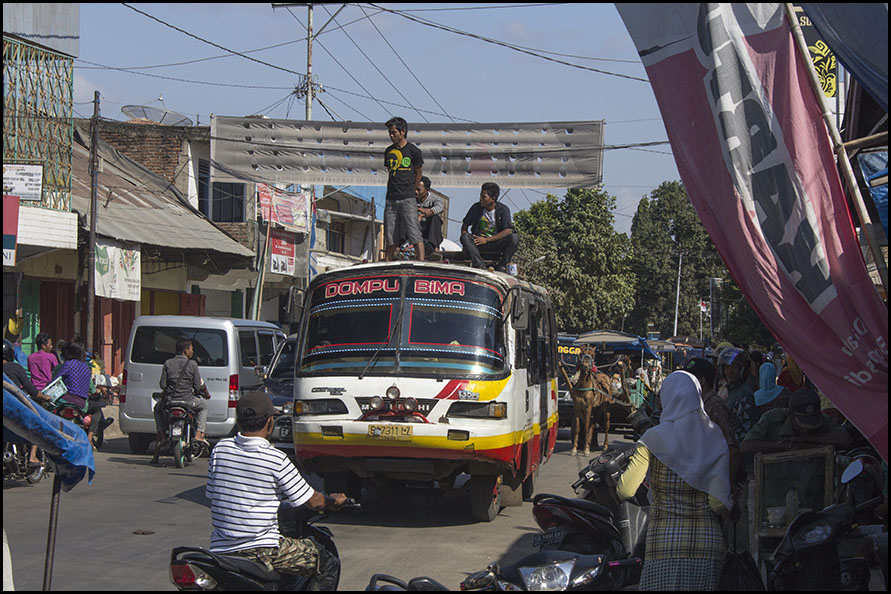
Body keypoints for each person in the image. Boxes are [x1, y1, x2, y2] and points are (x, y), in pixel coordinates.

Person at [206, 392, 347, 590]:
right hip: (261, 550)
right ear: (270, 422)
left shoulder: (220, 450)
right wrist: (334, 501)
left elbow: (213, 495)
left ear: (238, 422)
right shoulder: (275, 459)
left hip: (220, 549)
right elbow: (313, 501)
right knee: (327, 562)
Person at [616, 371, 731, 590]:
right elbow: (718, 503)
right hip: (707, 546)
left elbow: (625, 490)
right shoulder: (714, 436)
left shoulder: (652, 438)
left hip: (664, 543)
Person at [740, 388, 853, 455]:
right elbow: (746, 446)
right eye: (802, 425)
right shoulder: (773, 418)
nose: (806, 429)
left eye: (811, 425)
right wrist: (781, 446)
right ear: (792, 416)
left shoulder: (824, 420)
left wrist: (806, 439)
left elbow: (844, 439)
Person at [151, 338, 210, 464]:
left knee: (157, 409)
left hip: (170, 402)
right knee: (203, 407)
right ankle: (199, 434)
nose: (192, 352)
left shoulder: (168, 363)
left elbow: (163, 385)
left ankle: (161, 435)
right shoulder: (192, 364)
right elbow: (197, 386)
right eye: (191, 349)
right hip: (188, 401)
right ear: (185, 350)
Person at [53, 336, 112, 449]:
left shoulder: (66, 365)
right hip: (81, 404)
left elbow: (55, 381)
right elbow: (91, 389)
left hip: (63, 401)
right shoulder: (86, 367)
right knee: (97, 409)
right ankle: (90, 436)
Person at [4, 339, 52, 468]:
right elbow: (31, 390)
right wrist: (45, 397)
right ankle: (32, 457)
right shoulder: (16, 367)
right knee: (36, 424)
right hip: (14, 408)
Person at [384, 116, 425, 262]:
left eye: (394, 132)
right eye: (390, 132)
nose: (391, 135)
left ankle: (421, 262)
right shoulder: (388, 151)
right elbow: (390, 171)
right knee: (390, 235)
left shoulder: (414, 151)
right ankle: (386, 263)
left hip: (407, 198)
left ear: (403, 132)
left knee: (414, 232)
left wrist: (411, 189)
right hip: (391, 198)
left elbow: (418, 172)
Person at [459, 182, 519, 271]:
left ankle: (502, 265)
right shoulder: (476, 208)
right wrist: (465, 245)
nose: (480, 199)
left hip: (495, 243)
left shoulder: (503, 209)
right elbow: (465, 226)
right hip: (478, 242)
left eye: (484, 197)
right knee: (465, 237)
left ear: (493, 199)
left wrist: (487, 240)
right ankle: (479, 264)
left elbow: (507, 230)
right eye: (480, 196)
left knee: (514, 238)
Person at [415, 176, 444, 260]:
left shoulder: (435, 199)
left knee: (435, 218)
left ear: (427, 190)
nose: (416, 192)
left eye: (419, 189)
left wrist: (422, 215)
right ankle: (398, 247)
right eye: (415, 189)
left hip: (428, 230)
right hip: (414, 227)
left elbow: (440, 207)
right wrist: (420, 209)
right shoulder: (412, 199)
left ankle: (435, 248)